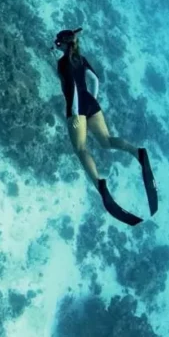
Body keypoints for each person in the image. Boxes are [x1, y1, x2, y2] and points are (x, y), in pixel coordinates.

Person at [55, 28, 157, 225]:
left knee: (81, 148)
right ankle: (138, 153)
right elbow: (94, 79)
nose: (56, 45)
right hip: (91, 103)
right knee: (106, 141)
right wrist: (92, 97)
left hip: (77, 108)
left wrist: (76, 112)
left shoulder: (62, 63)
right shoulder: (81, 59)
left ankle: (99, 185)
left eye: (58, 43)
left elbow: (72, 88)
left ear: (64, 44)